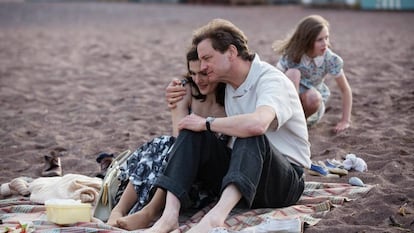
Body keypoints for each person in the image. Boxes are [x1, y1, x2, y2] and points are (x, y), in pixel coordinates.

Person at [147, 18, 311, 233]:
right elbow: (195, 86)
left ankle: (216, 217)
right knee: (191, 130)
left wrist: (206, 123)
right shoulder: (228, 85)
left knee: (250, 132)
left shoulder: (271, 81)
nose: (203, 67)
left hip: (282, 183)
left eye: (207, 58)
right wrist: (177, 91)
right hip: (242, 179)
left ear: (231, 52)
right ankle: (168, 217)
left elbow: (258, 124)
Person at [106, 46, 226, 230]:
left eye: (203, 73)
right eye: (192, 73)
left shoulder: (231, 98)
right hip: (180, 170)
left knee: (165, 147)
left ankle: (149, 211)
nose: (198, 80)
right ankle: (119, 210)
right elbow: (180, 141)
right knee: (163, 144)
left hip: (207, 180)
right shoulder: (184, 90)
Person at [272, 14, 353, 133]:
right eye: (320, 40)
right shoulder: (292, 55)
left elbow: (345, 90)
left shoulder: (330, 60)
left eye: (327, 38)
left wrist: (345, 121)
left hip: (312, 105)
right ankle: (288, 120)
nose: (325, 43)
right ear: (307, 40)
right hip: (291, 101)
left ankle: (298, 124)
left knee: (313, 97)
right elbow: (274, 79)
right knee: (293, 73)